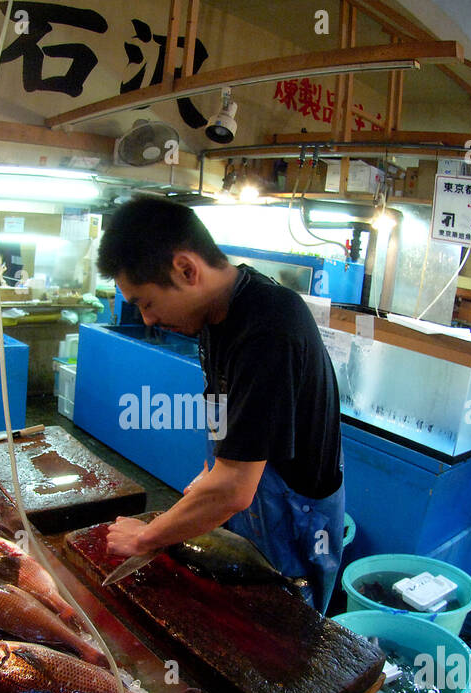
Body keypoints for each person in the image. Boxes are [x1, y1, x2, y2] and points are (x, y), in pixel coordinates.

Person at [96, 195, 345, 612]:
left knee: (282, 637)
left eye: (146, 301)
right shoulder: (216, 315)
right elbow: (227, 419)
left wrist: (144, 537)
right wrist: (209, 473)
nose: (148, 320)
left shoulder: (270, 326)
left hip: (294, 523)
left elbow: (234, 489)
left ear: (186, 269)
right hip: (256, 503)